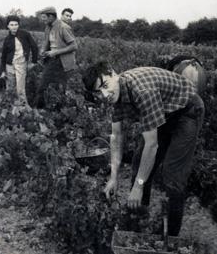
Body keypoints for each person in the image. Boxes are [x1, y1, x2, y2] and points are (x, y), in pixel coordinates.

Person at [82, 62, 204, 236]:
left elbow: (152, 145)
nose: (104, 94)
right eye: (97, 92)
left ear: (114, 73)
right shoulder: (115, 93)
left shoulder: (142, 91)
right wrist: (114, 177)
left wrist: (139, 186)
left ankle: (171, 237)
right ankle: (140, 220)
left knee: (172, 174)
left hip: (188, 110)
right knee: (139, 161)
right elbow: (116, 137)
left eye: (105, 85)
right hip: (165, 112)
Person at [35, 6, 77, 108]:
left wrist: (56, 52)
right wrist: (42, 51)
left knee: (60, 88)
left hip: (62, 62)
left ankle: (59, 112)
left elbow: (74, 46)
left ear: (51, 17)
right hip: (51, 60)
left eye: (44, 17)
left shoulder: (63, 27)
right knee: (43, 85)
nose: (42, 20)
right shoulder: (48, 27)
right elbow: (46, 42)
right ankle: (40, 110)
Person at [0, 15, 38, 105]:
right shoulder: (7, 39)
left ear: (19, 25)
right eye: (11, 25)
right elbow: (3, 56)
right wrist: (3, 71)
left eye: (16, 24)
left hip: (21, 64)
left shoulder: (25, 34)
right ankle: (10, 106)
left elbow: (34, 47)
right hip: (9, 65)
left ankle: (24, 108)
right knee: (10, 87)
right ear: (8, 26)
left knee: (20, 88)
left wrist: (34, 62)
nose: (14, 27)